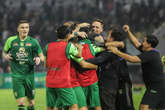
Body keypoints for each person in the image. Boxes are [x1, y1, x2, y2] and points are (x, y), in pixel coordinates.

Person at [109, 25, 165, 110]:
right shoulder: (151, 52)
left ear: (149, 44)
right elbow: (136, 43)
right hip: (159, 86)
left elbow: (132, 59)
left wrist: (117, 52)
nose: (142, 43)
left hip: (156, 87)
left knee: (143, 108)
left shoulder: (150, 55)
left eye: (144, 41)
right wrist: (128, 31)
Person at [45, 24, 97, 110]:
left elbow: (46, 64)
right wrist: (79, 48)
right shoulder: (69, 46)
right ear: (68, 35)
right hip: (65, 82)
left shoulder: (48, 46)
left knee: (51, 107)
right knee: (75, 106)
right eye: (72, 33)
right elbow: (80, 58)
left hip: (49, 82)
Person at [2, 19, 44, 110]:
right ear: (18, 29)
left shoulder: (33, 42)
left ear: (29, 29)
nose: (25, 29)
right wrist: (6, 56)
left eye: (26, 27)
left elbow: (42, 56)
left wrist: (38, 59)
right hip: (17, 76)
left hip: (29, 76)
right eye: (22, 28)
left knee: (31, 103)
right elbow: (4, 53)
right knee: (21, 103)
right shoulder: (11, 40)